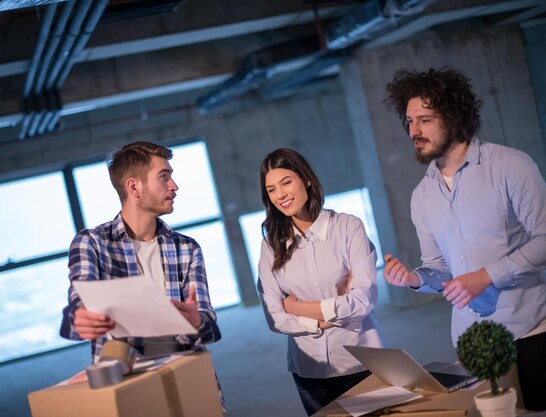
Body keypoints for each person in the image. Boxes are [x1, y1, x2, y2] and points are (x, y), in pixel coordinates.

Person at [383, 67, 546, 410]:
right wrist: (415, 278)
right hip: (472, 342)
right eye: (409, 122)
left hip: (531, 331)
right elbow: (439, 268)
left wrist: (486, 276)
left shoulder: (510, 165)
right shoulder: (422, 195)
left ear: (454, 118)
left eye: (424, 120)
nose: (414, 131)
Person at [59, 140, 221, 363]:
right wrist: (80, 319)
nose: (174, 185)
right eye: (164, 176)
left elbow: (210, 329)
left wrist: (198, 322)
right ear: (134, 187)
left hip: (188, 373)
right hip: (125, 379)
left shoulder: (187, 248)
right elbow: (78, 309)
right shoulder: (91, 243)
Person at [256, 148, 383, 416]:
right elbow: (275, 318)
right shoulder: (270, 245)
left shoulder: (348, 227)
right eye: (271, 189)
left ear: (306, 179)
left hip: (359, 360)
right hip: (307, 370)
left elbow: (363, 302)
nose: (280, 195)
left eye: (286, 182)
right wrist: (331, 315)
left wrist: (297, 307)